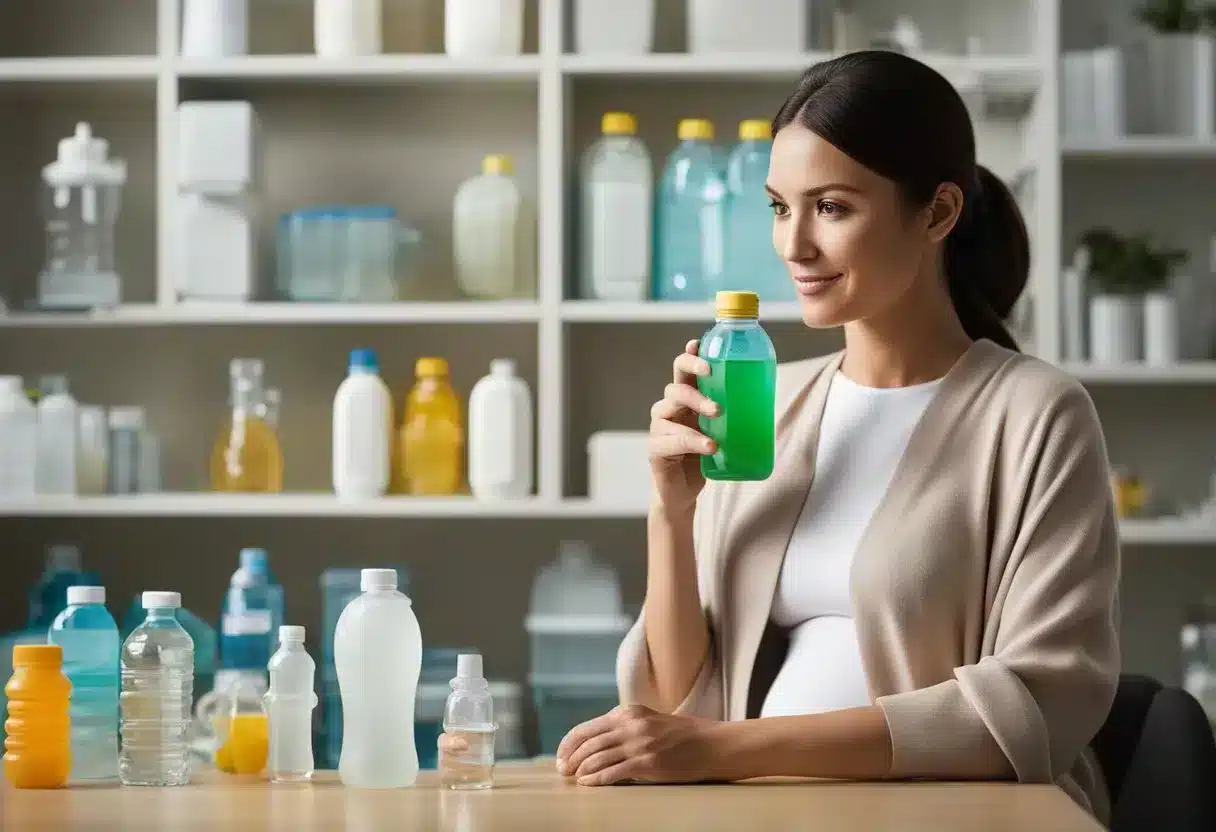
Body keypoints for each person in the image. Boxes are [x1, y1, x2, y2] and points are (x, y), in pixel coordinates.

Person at [552, 50, 1121, 824]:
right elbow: (676, 703)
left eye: (832, 207)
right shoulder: (770, 399)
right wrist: (671, 512)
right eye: (780, 207)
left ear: (938, 213)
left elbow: (1035, 703)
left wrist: (728, 751)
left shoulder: (1036, 416)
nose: (793, 247)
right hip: (763, 813)